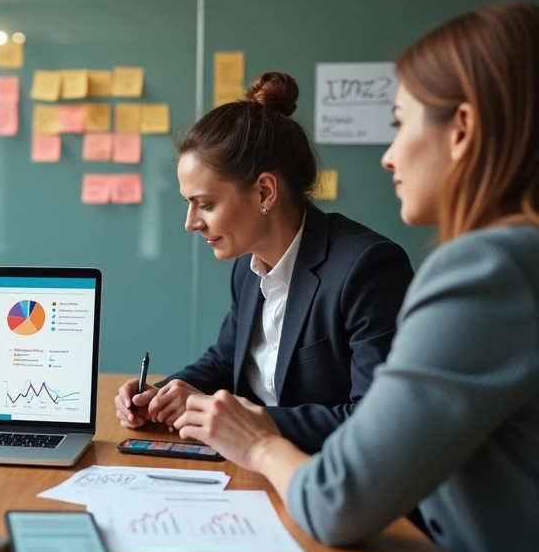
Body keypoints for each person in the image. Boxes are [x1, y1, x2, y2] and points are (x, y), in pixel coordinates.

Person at [173, 1, 539, 552]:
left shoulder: (484, 270)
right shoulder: (513, 261)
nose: (388, 155)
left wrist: (258, 441)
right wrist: (179, 389)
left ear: (462, 129)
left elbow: (337, 498)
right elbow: (226, 354)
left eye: (400, 122)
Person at [113, 71, 414, 453]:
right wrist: (159, 395)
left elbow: (377, 422)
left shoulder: (367, 268)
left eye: (206, 204)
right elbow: (225, 361)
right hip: (248, 464)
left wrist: (246, 421)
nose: (190, 223)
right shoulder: (247, 265)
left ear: (264, 192)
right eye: (188, 203)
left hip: (321, 474)